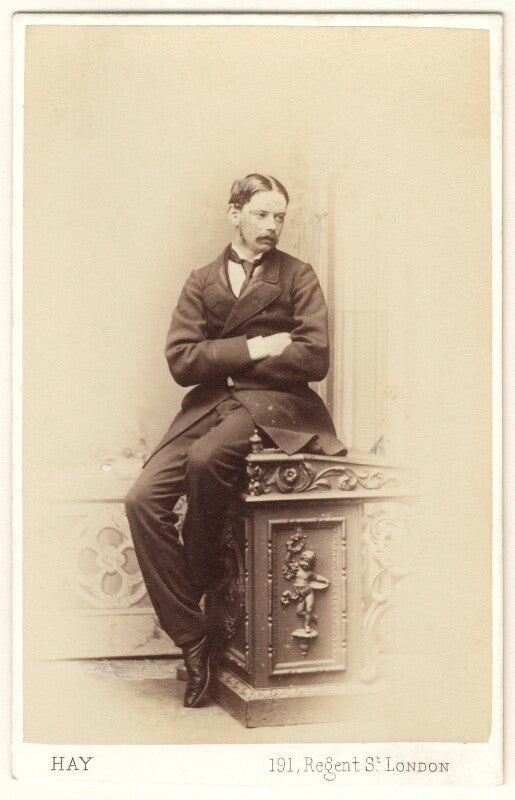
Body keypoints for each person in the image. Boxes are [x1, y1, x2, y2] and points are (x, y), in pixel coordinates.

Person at [125, 173, 346, 708]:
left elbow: (314, 356)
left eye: (279, 217)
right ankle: (194, 633)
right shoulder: (201, 280)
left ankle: (198, 595)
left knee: (207, 460)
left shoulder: (297, 275)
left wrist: (224, 360)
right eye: (261, 214)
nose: (271, 225)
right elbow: (182, 361)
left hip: (275, 406)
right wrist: (260, 345)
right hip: (209, 405)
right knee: (141, 499)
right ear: (235, 214)